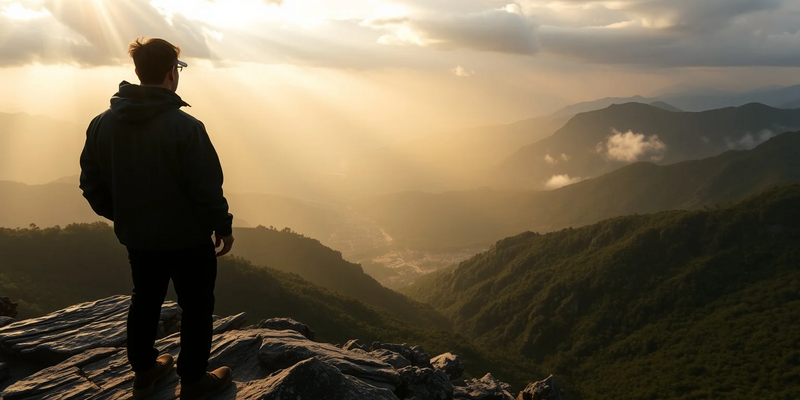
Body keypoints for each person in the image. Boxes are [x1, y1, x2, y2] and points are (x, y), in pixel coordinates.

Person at [79, 37, 234, 399]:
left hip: (139, 237)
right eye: (177, 68)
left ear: (136, 71)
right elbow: (206, 187)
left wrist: (123, 215)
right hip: (188, 238)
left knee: (144, 299)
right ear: (170, 73)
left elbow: (91, 184)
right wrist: (222, 226)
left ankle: (145, 373)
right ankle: (194, 380)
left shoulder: (101, 124)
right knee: (196, 306)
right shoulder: (186, 128)